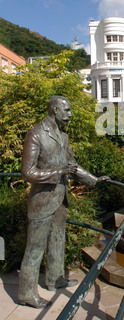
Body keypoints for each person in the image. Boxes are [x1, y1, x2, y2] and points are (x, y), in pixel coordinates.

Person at [18, 95, 110, 308]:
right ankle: (25, 293)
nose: (70, 114)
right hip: (42, 200)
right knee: (35, 247)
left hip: (60, 198)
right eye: (66, 110)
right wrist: (59, 172)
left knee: (58, 240)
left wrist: (93, 180)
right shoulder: (35, 135)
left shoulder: (63, 136)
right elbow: (27, 172)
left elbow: (72, 165)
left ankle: (55, 279)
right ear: (54, 111)